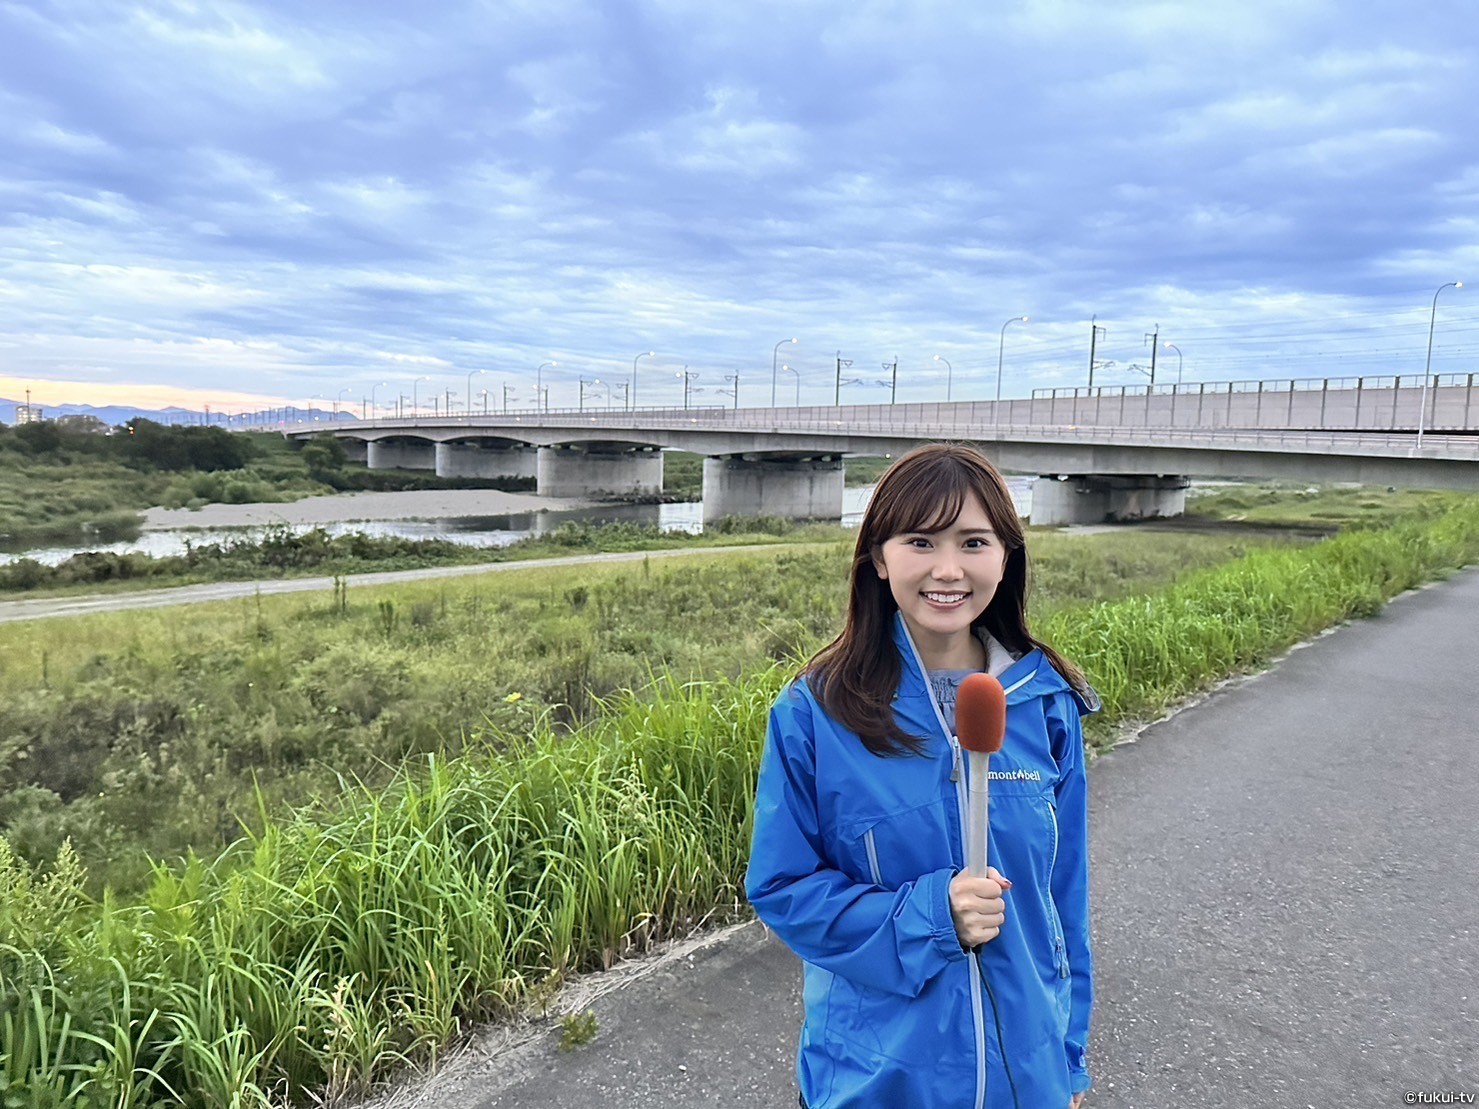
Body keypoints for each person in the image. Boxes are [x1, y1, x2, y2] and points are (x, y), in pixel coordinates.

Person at [745, 442, 1099, 1109]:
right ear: (879, 559)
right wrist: (931, 916)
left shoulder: (1044, 702)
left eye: (973, 542)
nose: (948, 569)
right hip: (876, 1078)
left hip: (1027, 1077)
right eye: (919, 541)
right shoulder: (814, 712)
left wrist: (1068, 1056)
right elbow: (783, 888)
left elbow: (1063, 897)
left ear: (1006, 556)